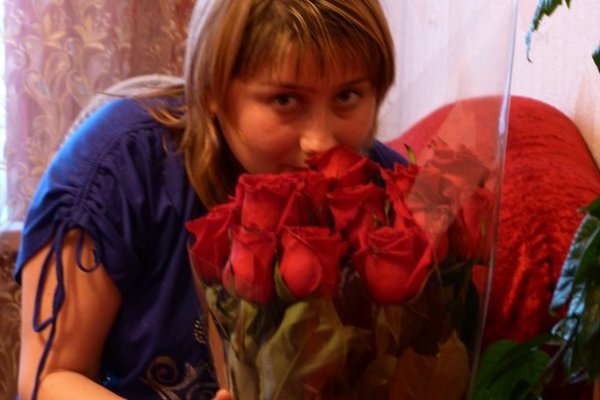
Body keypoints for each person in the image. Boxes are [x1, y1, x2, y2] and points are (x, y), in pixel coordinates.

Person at [15, 0, 400, 399]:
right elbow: (47, 378)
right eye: (285, 100)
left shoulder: (393, 194)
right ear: (212, 90)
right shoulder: (119, 167)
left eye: (348, 96)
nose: (319, 142)